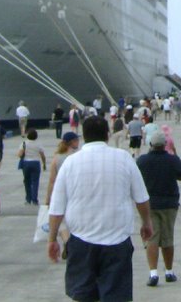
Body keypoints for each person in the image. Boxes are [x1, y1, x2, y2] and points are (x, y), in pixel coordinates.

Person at [46, 115, 153, 302]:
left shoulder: (70, 162)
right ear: (107, 134)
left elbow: (56, 207)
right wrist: (146, 223)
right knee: (116, 297)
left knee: (83, 296)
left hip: (81, 240)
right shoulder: (124, 158)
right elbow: (141, 198)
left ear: (83, 136)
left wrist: (52, 238)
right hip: (117, 240)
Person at [136, 130, 181, 286]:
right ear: (165, 145)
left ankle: (153, 274)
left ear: (150, 144)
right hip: (170, 204)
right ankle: (169, 272)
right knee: (167, 238)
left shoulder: (142, 161)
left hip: (150, 204)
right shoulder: (173, 160)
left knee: (152, 238)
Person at [45, 131, 81, 258]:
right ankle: (71, 243)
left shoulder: (57, 158)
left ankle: (67, 241)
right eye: (77, 140)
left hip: (60, 193)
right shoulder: (77, 157)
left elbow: (51, 181)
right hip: (76, 193)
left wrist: (47, 199)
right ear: (72, 142)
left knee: (61, 222)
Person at [17, 129, 46, 205]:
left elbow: (19, 154)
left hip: (26, 163)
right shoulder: (38, 144)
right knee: (35, 182)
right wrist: (44, 164)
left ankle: (28, 199)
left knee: (27, 181)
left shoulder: (24, 143)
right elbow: (42, 155)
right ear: (36, 136)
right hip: (36, 163)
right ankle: (35, 200)